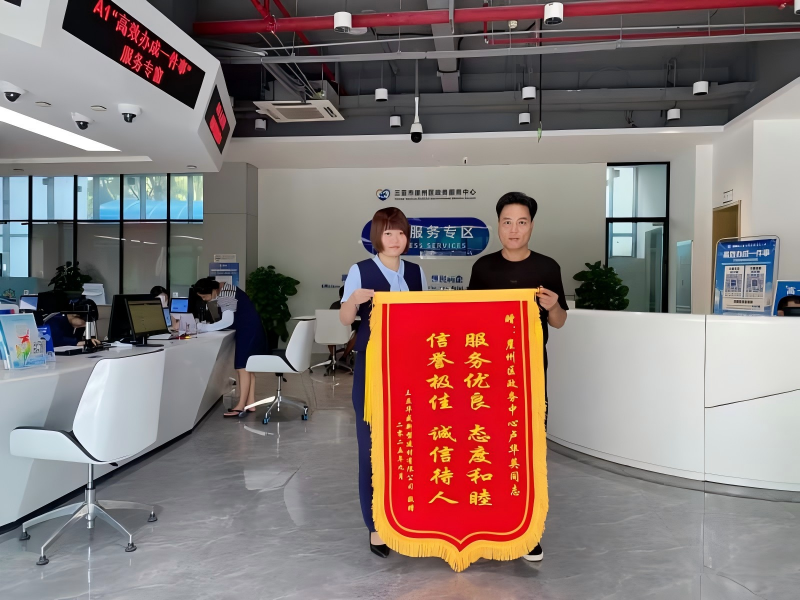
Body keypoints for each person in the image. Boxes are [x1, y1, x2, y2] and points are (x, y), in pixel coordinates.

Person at [468, 191, 568, 564]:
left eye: (521, 222)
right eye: (507, 222)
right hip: (487, 375)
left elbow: (559, 321)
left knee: (529, 450)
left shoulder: (547, 267)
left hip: (529, 375)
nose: (514, 230)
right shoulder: (483, 268)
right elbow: (468, 320)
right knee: (488, 448)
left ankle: (528, 532)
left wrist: (553, 306)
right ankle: (488, 524)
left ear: (531, 226)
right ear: (498, 225)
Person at [339, 207, 427, 559]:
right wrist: (353, 301)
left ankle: (408, 516)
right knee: (371, 446)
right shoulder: (361, 270)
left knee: (410, 443)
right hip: (373, 368)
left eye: (401, 233)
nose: (395, 239)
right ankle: (375, 524)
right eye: (388, 232)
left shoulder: (416, 272)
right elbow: (345, 318)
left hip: (411, 368)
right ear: (377, 236)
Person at [193, 277, 268, 418]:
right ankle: (250, 402)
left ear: (212, 290)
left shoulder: (226, 294)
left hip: (247, 331)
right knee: (248, 367)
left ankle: (240, 406)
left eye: (204, 296)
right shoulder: (225, 289)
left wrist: (202, 327)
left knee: (242, 368)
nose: (204, 300)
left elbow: (227, 321)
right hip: (251, 328)